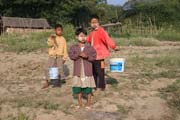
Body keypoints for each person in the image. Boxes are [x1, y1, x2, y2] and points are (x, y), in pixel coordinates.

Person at [86, 15, 119, 91]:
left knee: (101, 71)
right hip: (93, 56)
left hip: (100, 56)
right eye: (92, 22)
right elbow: (88, 39)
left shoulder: (101, 31)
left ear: (98, 23)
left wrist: (113, 47)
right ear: (90, 23)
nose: (94, 24)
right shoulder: (92, 32)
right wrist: (82, 38)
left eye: (95, 22)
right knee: (93, 71)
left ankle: (102, 86)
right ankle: (94, 86)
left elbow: (108, 39)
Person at [68, 28, 96, 109]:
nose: (83, 38)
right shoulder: (74, 47)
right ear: (77, 37)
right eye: (81, 36)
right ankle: (80, 103)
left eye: (84, 36)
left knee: (88, 87)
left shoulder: (90, 47)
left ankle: (88, 103)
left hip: (87, 71)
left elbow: (94, 57)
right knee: (78, 87)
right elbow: (71, 56)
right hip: (78, 71)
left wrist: (87, 57)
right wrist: (78, 54)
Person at [42, 24, 67, 89]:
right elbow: (49, 44)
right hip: (52, 56)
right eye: (58, 30)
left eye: (60, 30)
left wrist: (64, 57)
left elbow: (65, 49)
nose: (59, 31)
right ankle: (47, 82)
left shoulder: (63, 39)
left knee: (59, 68)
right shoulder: (52, 37)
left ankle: (58, 82)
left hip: (59, 56)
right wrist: (52, 38)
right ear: (55, 30)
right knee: (47, 68)